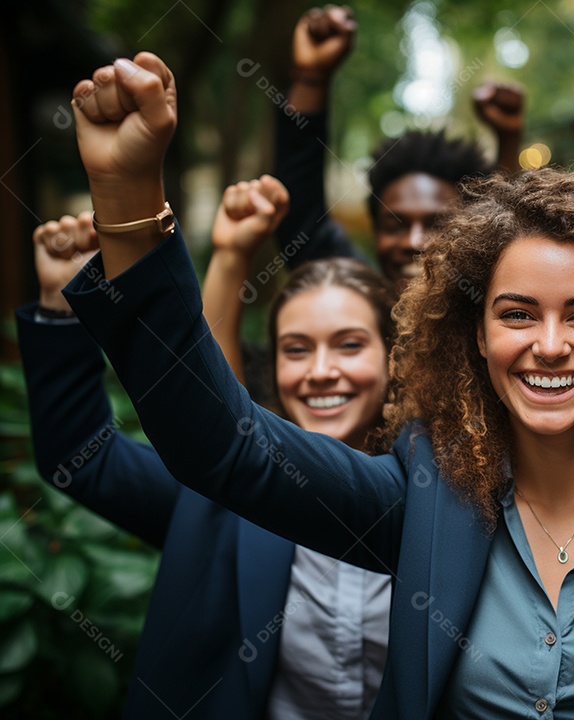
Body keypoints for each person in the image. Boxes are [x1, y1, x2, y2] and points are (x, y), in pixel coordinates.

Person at [62, 52, 574, 718]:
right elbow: (224, 445)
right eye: (516, 314)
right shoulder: (426, 490)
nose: (548, 344)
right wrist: (127, 195)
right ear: (477, 336)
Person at [19, 180, 398, 718]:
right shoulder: (222, 497)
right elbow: (82, 454)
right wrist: (62, 307)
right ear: (273, 366)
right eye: (296, 349)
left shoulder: (435, 501)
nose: (320, 371)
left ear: (394, 361)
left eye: (350, 344)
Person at [277, 5, 521, 289]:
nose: (414, 242)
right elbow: (303, 227)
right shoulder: (361, 302)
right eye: (395, 226)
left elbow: (507, 239)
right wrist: (311, 76)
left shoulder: (495, 316)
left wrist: (509, 138)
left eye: (439, 224)